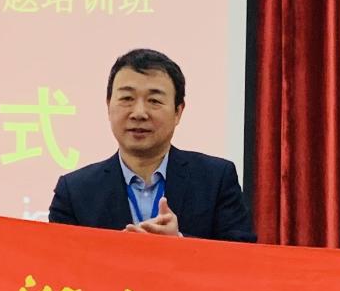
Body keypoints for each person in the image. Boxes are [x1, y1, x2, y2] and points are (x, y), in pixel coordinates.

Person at [46, 47, 256, 241]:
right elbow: (58, 263)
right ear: (108, 105)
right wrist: (112, 252)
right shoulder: (74, 192)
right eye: (127, 98)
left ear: (178, 111)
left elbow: (243, 258)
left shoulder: (216, 179)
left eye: (154, 101)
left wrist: (179, 243)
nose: (139, 113)